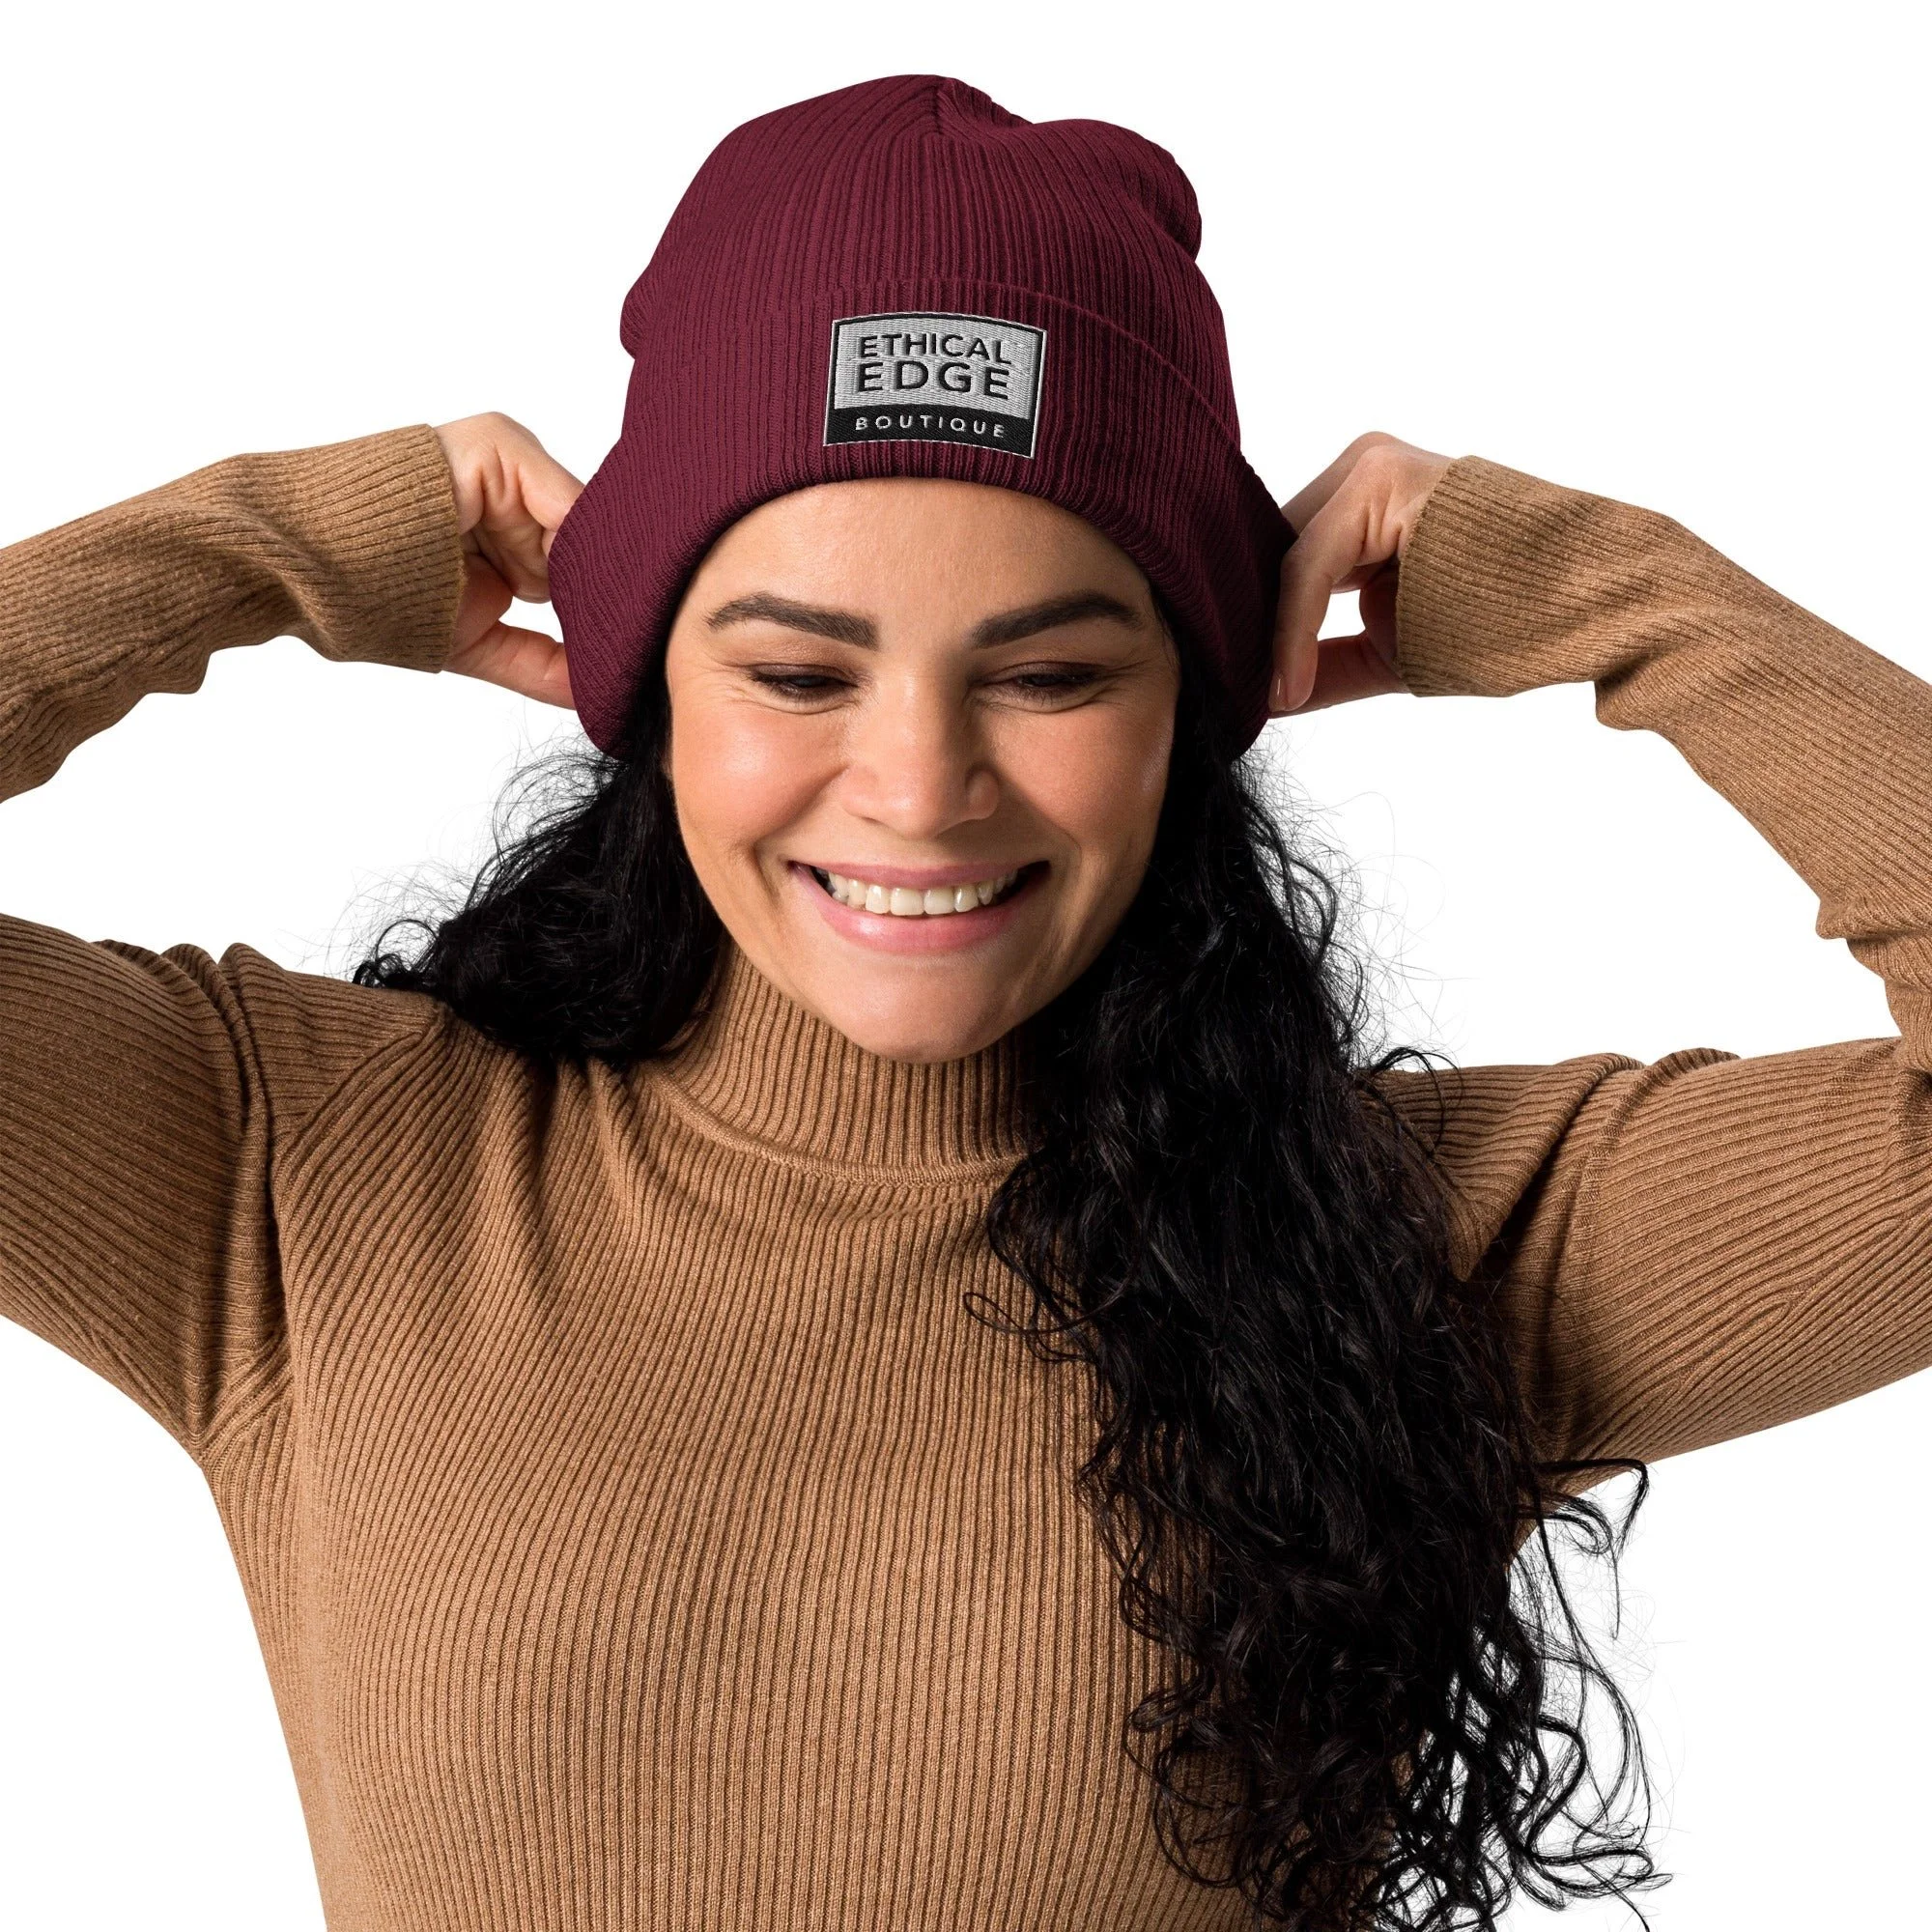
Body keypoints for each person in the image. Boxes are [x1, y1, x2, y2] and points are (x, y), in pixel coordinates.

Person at [3, 71, 1929, 1932]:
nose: (918, 786)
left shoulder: (1426, 1252)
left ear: (1197, 704)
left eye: (1054, 674)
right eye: (797, 672)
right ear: (647, 687)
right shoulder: (298, 1181)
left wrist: (1616, 597)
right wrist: (273, 540)